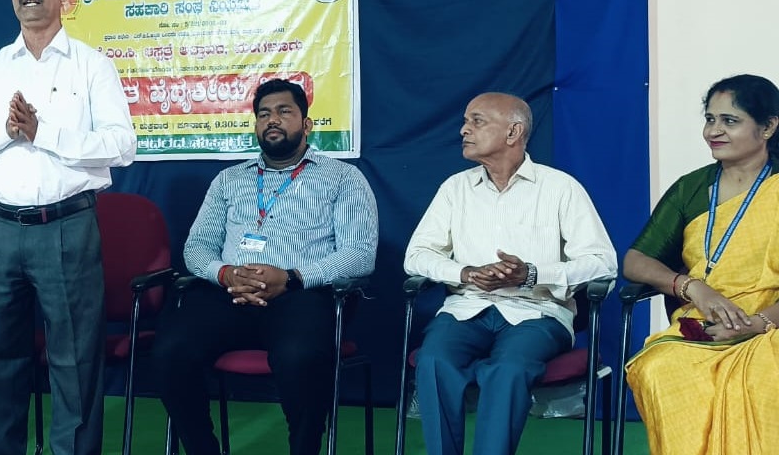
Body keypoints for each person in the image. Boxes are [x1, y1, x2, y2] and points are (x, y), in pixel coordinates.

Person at [0, 0, 136, 455]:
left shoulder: (93, 66)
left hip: (67, 227)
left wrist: (43, 132)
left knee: (75, 360)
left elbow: (122, 145)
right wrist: (9, 131)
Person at [153, 78, 378, 455]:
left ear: (307, 124)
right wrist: (225, 273)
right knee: (170, 351)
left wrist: (291, 278)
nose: (272, 120)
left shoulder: (342, 178)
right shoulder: (229, 180)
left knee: (300, 357)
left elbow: (359, 254)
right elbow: (197, 247)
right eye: (263, 114)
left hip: (301, 295)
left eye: (284, 111)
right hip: (230, 294)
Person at [403, 92, 617, 455]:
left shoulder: (560, 188)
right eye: (466, 121)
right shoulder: (455, 189)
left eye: (476, 121)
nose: (464, 130)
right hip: (466, 309)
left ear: (513, 132)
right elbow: (416, 256)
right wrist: (466, 272)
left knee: (508, 369)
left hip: (537, 313)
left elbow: (603, 262)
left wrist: (531, 274)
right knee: (434, 360)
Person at [624, 74, 779, 454]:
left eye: (730, 121)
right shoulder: (690, 189)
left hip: (771, 325)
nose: (714, 131)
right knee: (659, 368)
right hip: (704, 324)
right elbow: (635, 260)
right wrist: (691, 287)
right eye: (710, 119)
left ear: (768, 127)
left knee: (766, 376)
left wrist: (757, 323)